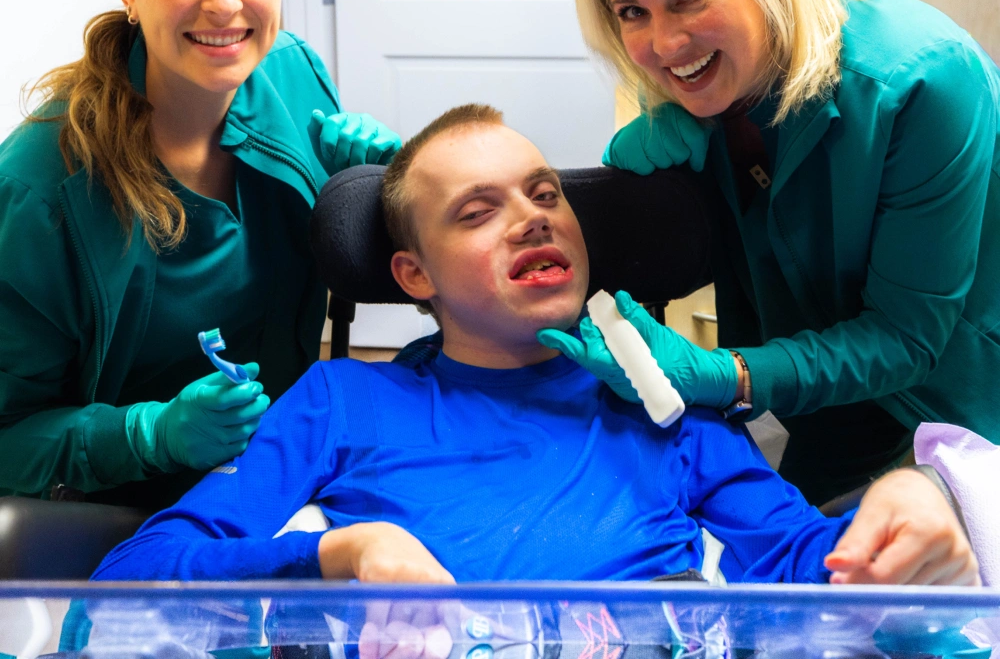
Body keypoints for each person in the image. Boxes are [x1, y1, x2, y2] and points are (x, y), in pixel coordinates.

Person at [92, 105, 978, 587]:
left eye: (545, 193)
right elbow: (139, 572)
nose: (532, 219)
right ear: (413, 275)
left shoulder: (663, 410)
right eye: (478, 212)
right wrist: (338, 554)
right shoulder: (341, 403)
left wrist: (905, 500)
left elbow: (809, 569)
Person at [545, 0, 1000, 505]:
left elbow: (905, 337)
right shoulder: (694, 77)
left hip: (953, 406)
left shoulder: (919, 80)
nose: (666, 43)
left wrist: (723, 374)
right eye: (632, 12)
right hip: (822, 393)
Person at [0, 0, 401, 510]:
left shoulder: (291, 73)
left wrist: (381, 192)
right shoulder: (40, 191)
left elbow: (377, 264)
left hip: (285, 476)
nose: (224, 3)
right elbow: (10, 434)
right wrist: (151, 433)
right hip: (129, 514)